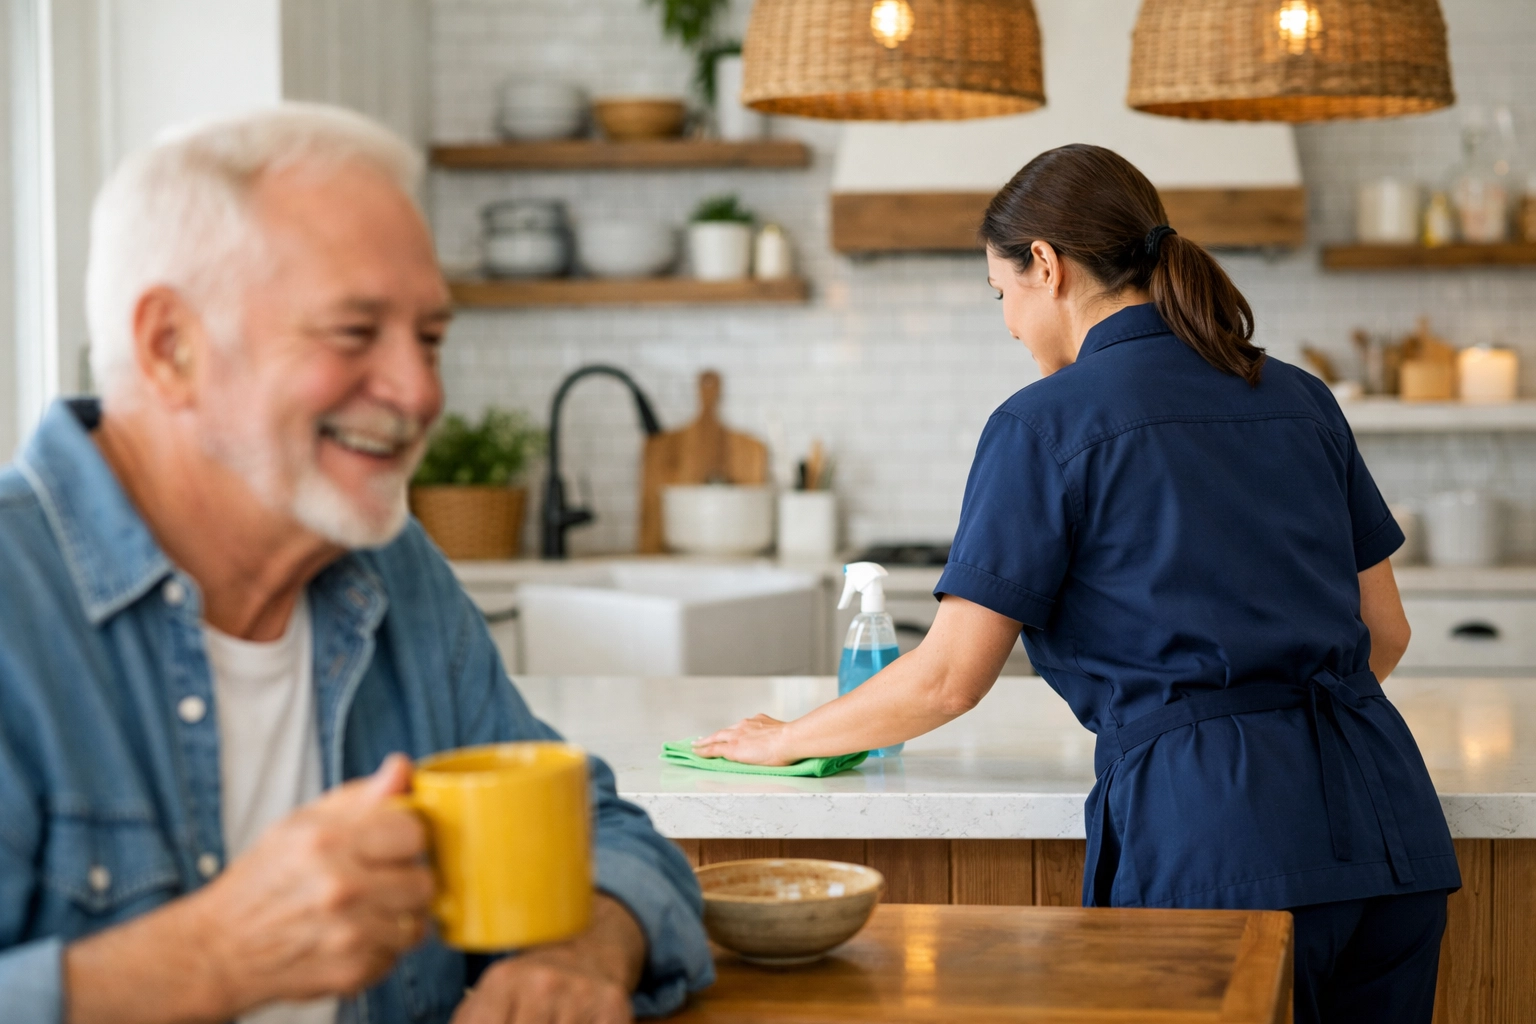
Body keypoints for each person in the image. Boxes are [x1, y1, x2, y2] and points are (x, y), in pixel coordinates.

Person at [696, 144, 1459, 1024]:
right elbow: (1386, 633)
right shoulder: (1297, 395)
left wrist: (785, 738)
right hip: (1390, 823)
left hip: (1217, 839)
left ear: (1047, 267)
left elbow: (947, 679)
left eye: (1003, 294)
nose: (1012, 324)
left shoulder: (1044, 424)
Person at [0, 104, 712, 1024]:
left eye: (430, 338)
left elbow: (605, 840)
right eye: (352, 331)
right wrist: (214, 957)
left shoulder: (391, 571)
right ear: (170, 347)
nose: (420, 393)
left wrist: (582, 953)